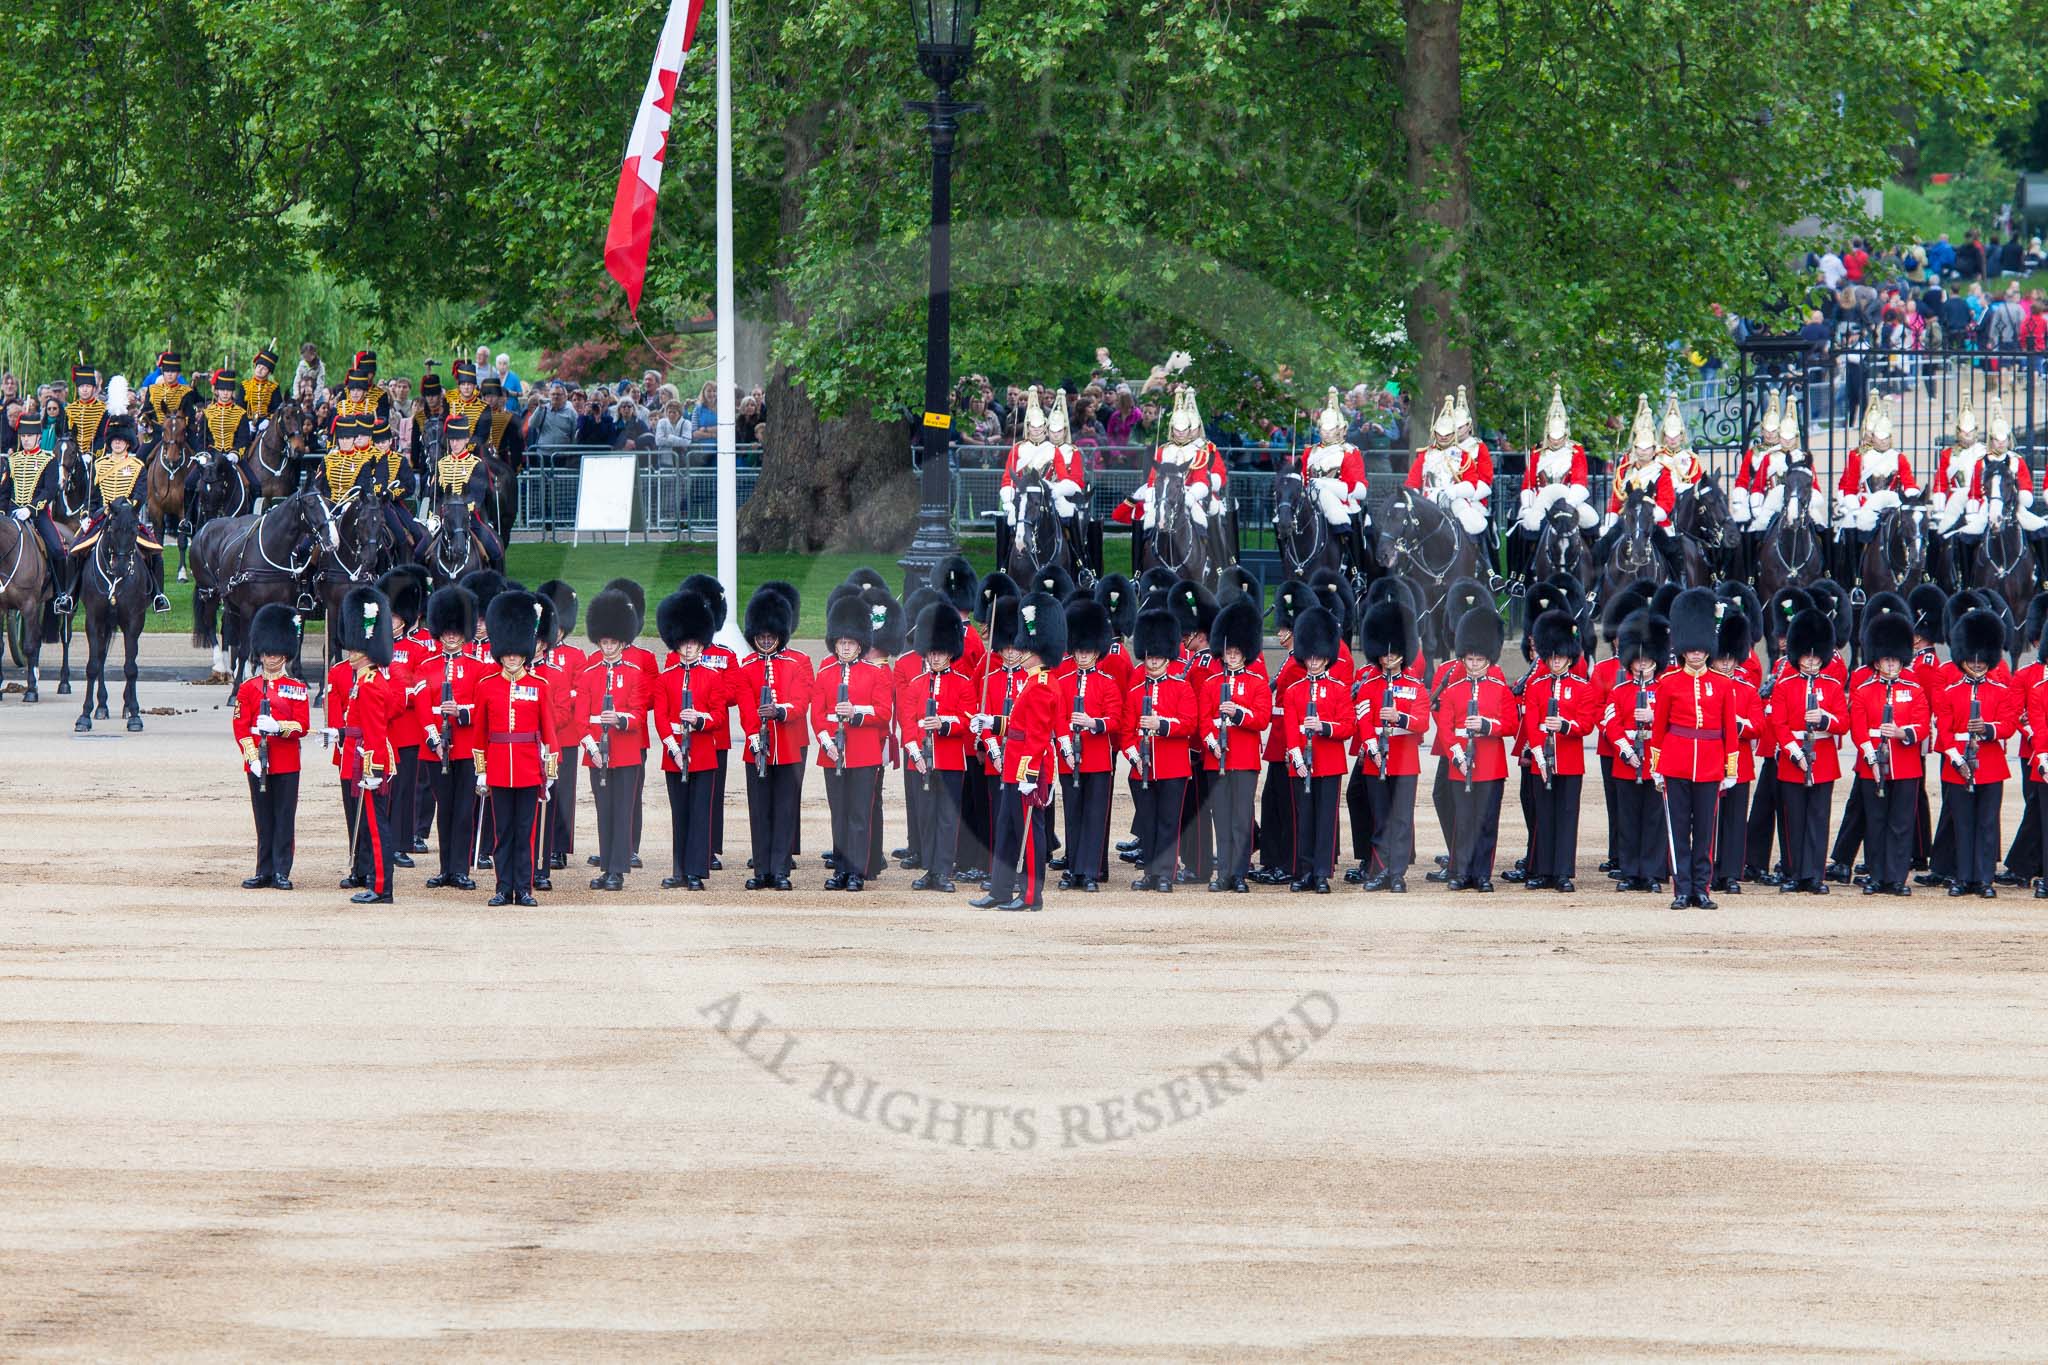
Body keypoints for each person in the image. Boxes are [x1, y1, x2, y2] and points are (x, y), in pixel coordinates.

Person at [1650, 590, 1743, 908]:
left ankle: (1701, 888)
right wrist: (1656, 767)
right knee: (1678, 832)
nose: (1696, 654)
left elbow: (1730, 729)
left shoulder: (1723, 684)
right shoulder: (1668, 682)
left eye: (1701, 649)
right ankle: (1682, 889)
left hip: (1709, 763)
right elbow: (1659, 728)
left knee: (1705, 832)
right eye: (1691, 649)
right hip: (1675, 762)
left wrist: (1731, 769)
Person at [973, 591, 1065, 911]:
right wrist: (992, 722)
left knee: (1030, 835)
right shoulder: (1031, 681)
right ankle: (999, 889)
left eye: (1025, 649)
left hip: (1027, 770)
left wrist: (1028, 775)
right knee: (1008, 832)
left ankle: (1031, 895)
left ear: (1036, 652)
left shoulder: (1041, 685)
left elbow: (1037, 737)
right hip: (1013, 766)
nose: (1019, 653)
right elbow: (1017, 724)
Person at [470, 591, 560, 906]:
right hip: (497, 768)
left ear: (524, 652)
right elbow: (480, 734)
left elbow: (549, 733)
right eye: (506, 654)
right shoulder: (486, 686)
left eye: (515, 653)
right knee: (502, 833)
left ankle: (523, 888)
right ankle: (502, 887)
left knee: (526, 833)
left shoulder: (540, 687)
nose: (511, 658)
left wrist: (549, 774)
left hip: (527, 769)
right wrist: (481, 772)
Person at [325, 586, 403, 904]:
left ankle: (382, 887)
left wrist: (371, 769)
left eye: (355, 649)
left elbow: (373, 729)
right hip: (371, 758)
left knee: (377, 827)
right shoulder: (366, 680)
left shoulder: (369, 685)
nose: (350, 653)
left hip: (373, 762)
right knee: (374, 825)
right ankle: (378, 882)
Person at [812, 594, 895, 891]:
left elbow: (884, 713)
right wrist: (827, 743)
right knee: (840, 814)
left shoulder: (876, 674)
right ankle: (841, 868)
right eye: (841, 643)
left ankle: (857, 871)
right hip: (833, 753)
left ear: (860, 644)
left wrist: (857, 712)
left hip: (864, 754)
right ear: (834, 644)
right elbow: (817, 715)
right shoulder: (824, 674)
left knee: (860, 814)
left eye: (850, 643)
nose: (845, 647)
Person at [1934, 610, 2015, 897]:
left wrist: (1988, 729)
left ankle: (1984, 878)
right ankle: (1962, 877)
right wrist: (1956, 759)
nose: (1977, 665)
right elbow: (1943, 731)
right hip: (1958, 765)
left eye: (1982, 660)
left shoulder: (2000, 691)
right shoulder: (1950, 692)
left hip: (1990, 765)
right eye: (1971, 660)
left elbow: (2008, 724)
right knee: (1963, 825)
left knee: (1986, 824)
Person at [576, 588, 652, 891]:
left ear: (622, 641)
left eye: (612, 642)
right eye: (603, 642)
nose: (607, 647)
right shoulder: (589, 672)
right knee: (603, 810)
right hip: (597, 752)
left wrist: (619, 719)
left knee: (622, 811)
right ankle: (606, 864)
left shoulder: (635, 672)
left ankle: (618, 870)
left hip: (626, 753)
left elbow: (639, 714)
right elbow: (580, 716)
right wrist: (592, 748)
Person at [1767, 608, 1847, 894]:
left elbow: (1843, 723)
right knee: (1794, 820)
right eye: (1807, 657)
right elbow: (1779, 723)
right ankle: (1794, 872)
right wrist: (1795, 753)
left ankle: (1814, 874)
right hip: (1793, 758)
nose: (1812, 662)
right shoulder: (1785, 686)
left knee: (1818, 818)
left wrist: (1824, 719)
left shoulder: (1833, 686)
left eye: (1816, 657)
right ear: (1798, 656)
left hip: (1823, 756)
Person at [1110, 385, 1233, 571]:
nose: (1183, 433)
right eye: (1178, 429)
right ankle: (1138, 571)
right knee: (1145, 518)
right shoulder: (1163, 450)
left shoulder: (1201, 450)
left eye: (1186, 429)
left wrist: (1194, 492)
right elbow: (1153, 478)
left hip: (1192, 495)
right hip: (1163, 494)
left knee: (1203, 518)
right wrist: (1153, 492)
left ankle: (1218, 563)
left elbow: (1203, 479)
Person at [737, 586, 812, 889]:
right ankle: (761, 870)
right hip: (758, 748)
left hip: (789, 747)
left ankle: (780, 870)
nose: (765, 641)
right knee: (759, 810)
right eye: (760, 637)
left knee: (784, 809)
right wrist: (754, 735)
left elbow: (802, 698)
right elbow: (744, 707)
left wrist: (781, 711)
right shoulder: (747, 666)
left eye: (770, 637)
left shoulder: (799, 662)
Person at [1850, 610, 1930, 896]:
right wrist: (1871, 758)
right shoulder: (1863, 691)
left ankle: (1896, 878)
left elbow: (1922, 725)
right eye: (1887, 659)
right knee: (1876, 824)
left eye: (1895, 659)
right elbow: (1858, 730)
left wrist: (1902, 734)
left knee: (1901, 824)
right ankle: (1876, 876)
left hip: (1906, 765)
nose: (1892, 664)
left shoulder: (1914, 689)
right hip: (1872, 765)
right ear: (1877, 660)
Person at [1517, 610, 1597, 892]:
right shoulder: (1536, 687)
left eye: (1560, 657)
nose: (1556, 661)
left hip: (1570, 762)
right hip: (1542, 761)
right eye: (1552, 657)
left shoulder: (1582, 687)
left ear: (1569, 656)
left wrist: (1565, 726)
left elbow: (1587, 724)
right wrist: (1538, 752)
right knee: (1544, 815)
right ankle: (1543, 870)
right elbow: (1531, 722)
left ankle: (1563, 871)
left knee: (1566, 815)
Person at [233, 604, 311, 890]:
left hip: (286, 761)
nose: (270, 658)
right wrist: (252, 756)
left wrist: (279, 727)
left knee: (283, 818)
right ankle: (264, 869)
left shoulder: (296, 687)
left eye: (276, 653)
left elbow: (301, 725)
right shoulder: (249, 688)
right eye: (266, 653)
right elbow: (240, 725)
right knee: (263, 819)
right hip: (258, 762)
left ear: (285, 654)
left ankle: (281, 870)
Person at [653, 590, 727, 890]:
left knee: (699, 816)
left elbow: (719, 716)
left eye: (693, 644)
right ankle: (680, 870)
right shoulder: (665, 678)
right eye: (684, 644)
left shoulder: (713, 677)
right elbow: (660, 717)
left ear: (701, 645)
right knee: (679, 814)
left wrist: (698, 720)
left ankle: (696, 871)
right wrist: (673, 748)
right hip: (675, 755)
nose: (688, 649)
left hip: (703, 754)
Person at [1121, 606, 1197, 892]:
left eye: (1157, 657)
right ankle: (1150, 873)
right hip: (1143, 767)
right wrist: (1134, 757)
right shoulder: (1135, 691)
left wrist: (1162, 724)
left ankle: (1166, 873)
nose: (1152, 662)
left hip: (1173, 767)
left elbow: (1189, 724)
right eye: (1149, 657)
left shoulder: (1181, 688)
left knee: (1168, 823)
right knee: (1148, 824)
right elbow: (1126, 733)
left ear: (1167, 658)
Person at [1278, 605, 1353, 894]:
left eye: (1319, 658)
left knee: (1325, 821)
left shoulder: (1338, 689)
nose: (1314, 663)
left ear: (1327, 658)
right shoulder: (1295, 690)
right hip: (1301, 764)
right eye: (1310, 657)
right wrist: (1296, 758)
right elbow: (1289, 726)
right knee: (1304, 820)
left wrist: (1324, 727)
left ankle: (1322, 872)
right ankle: (1305, 870)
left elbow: (1348, 726)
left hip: (1330, 763)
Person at [417, 586, 487, 890]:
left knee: (462, 812)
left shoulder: (478, 668)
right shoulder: (426, 667)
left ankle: (461, 869)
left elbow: (483, 708)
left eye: (457, 631)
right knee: (443, 809)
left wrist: (461, 713)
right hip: (437, 749)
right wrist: (435, 739)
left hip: (467, 749)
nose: (451, 636)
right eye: (447, 631)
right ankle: (446, 868)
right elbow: (422, 709)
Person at [904, 602, 977, 892]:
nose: (935, 658)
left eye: (940, 653)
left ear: (950, 653)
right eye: (932, 653)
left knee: (947, 818)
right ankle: (930, 870)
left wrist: (944, 726)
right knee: (926, 818)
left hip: (949, 760)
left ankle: (944, 870)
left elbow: (968, 720)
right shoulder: (916, 683)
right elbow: (907, 721)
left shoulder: (963, 684)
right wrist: (915, 753)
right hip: (921, 761)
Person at [66, 415, 171, 614]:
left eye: (121, 440)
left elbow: (140, 495)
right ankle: (70, 595)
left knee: (155, 552)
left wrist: (124, 510)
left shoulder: (137, 467)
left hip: (127, 519)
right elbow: (92, 496)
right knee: (74, 551)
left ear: (128, 442)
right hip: (102, 517)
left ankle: (158, 595)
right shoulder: (99, 465)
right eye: (114, 440)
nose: (117, 443)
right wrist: (88, 514)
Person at [1055, 595, 1126, 892]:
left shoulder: (1107, 682)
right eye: (1079, 651)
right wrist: (1065, 746)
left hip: (1097, 757)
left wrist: (1093, 723)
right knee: (1072, 815)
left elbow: (1116, 719)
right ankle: (1073, 868)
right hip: (1069, 757)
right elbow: (1056, 716)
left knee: (1095, 816)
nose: (1083, 656)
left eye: (1088, 652)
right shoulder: (1063, 679)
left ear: (1096, 652)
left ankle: (1090, 870)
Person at [1199, 596, 1268, 893]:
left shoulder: (1256, 682)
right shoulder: (1211, 684)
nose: (1233, 656)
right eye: (1229, 651)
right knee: (1222, 819)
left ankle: (1239, 872)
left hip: (1244, 760)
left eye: (1238, 652)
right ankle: (1224, 872)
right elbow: (1203, 720)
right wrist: (1212, 740)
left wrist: (1238, 713)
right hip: (1217, 759)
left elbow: (1262, 718)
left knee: (1241, 819)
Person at [1604, 610, 1669, 893]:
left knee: (1654, 820)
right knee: (1628, 819)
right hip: (1627, 760)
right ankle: (1630, 871)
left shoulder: (1666, 689)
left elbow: (1675, 722)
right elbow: (1610, 722)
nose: (1642, 666)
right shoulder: (1619, 691)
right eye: (1638, 661)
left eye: (1647, 661)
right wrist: (1625, 750)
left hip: (1655, 761)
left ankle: (1652, 872)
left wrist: (1653, 718)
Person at [998, 386, 1092, 575]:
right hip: (1023, 496)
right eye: (1032, 427)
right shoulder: (1018, 448)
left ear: (1044, 427)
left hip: (1045, 494)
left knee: (1068, 514)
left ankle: (1080, 562)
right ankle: (1002, 565)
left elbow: (1063, 477)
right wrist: (1008, 498)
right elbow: (1008, 477)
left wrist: (1053, 490)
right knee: (1007, 521)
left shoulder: (1053, 449)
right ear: (1027, 427)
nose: (1036, 430)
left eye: (1040, 427)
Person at [1509, 385, 1594, 584]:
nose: (1556, 442)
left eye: (1560, 438)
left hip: (1569, 500)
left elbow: (1580, 480)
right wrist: (1528, 503)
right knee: (1526, 525)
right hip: (1542, 501)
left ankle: (1593, 570)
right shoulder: (1537, 453)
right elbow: (1528, 483)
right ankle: (1521, 575)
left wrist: (1570, 503)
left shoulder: (1576, 452)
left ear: (1566, 434)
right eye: (1552, 438)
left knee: (1592, 522)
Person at [1594, 395, 1686, 580]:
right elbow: (1616, 500)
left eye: (1647, 449)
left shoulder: (1662, 471)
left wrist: (1650, 517)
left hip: (1653, 521)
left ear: (1654, 450)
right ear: (1634, 449)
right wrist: (1610, 521)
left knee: (1672, 551)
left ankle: (1675, 584)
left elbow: (1667, 502)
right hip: (1626, 520)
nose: (1643, 452)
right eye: (1639, 448)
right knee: (1602, 548)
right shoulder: (1624, 471)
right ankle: (1595, 590)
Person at [1404, 391, 1496, 568]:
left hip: (1458, 499)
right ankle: (1404, 566)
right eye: (1440, 434)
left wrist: (1454, 492)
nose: (1443, 437)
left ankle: (1486, 568)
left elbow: (1475, 482)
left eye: (1448, 434)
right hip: (1427, 500)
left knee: (1474, 524)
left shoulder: (1467, 454)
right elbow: (1413, 482)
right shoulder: (1425, 454)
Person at [1709, 601, 1764, 895]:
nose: (1727, 664)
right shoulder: (1705, 686)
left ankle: (1730, 872)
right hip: (1708, 761)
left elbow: (1758, 725)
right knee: (1710, 819)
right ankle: (1710, 870)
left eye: (1731, 659)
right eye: (1721, 659)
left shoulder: (1745, 688)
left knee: (1733, 821)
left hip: (1738, 763)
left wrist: (1737, 724)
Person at [1833, 396, 1919, 583]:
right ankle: (1854, 578)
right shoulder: (1858, 457)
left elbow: (1909, 483)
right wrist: (1854, 507)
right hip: (1866, 505)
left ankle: (1917, 573)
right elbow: (1849, 487)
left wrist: (1912, 497)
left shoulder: (1899, 458)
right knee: (1850, 527)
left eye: (1885, 438)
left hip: (1892, 505)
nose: (1881, 442)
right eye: (1878, 438)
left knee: (1915, 530)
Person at [1298, 386, 1374, 577]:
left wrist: (1325, 485)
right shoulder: (1310, 451)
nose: (1326, 433)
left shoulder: (1349, 452)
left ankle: (1356, 570)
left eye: (1331, 430)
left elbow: (1357, 486)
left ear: (1341, 429)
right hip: (1310, 499)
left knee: (1352, 517)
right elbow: (1304, 478)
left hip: (1342, 501)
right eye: (1323, 429)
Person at [0, 417, 75, 611]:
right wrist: (2, 513)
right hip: (12, 513)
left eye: (29, 436)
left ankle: (60, 594)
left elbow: (49, 490)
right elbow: (5, 491)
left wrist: (31, 509)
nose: (25, 440)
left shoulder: (48, 460)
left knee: (58, 550)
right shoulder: (12, 460)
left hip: (37, 514)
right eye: (23, 436)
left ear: (38, 438)